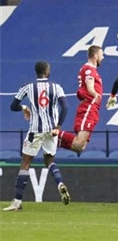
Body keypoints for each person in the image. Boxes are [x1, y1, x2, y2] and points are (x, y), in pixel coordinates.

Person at [4, 61, 70, 211]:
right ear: (47, 72)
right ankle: (59, 183)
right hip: (51, 131)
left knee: (25, 163)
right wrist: (58, 127)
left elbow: (13, 106)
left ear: (37, 72)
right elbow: (65, 107)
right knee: (49, 161)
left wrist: (24, 107)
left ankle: (17, 202)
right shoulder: (56, 87)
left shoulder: (28, 87)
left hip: (35, 131)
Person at [57, 45, 104, 153]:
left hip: (93, 109)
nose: (103, 57)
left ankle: (52, 139)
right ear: (95, 56)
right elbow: (89, 86)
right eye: (102, 55)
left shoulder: (91, 70)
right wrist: (95, 94)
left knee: (80, 147)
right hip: (88, 107)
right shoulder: (89, 69)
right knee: (78, 144)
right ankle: (50, 133)